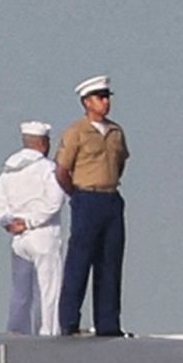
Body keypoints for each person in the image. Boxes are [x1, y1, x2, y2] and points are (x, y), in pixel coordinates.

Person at [53, 79, 129, 336]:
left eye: (107, 96)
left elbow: (120, 163)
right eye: (99, 97)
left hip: (110, 197)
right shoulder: (77, 131)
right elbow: (62, 169)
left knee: (110, 261)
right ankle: (69, 320)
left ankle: (108, 322)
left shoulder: (116, 132)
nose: (105, 102)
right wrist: (76, 192)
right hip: (87, 197)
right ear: (87, 102)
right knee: (80, 260)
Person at [0, 121, 68, 337]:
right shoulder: (48, 169)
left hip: (18, 237)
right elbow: (54, 202)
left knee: (20, 290)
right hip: (43, 235)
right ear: (43, 143)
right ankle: (48, 332)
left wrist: (9, 222)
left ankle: (17, 330)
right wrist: (30, 221)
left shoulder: (8, 169)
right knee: (49, 289)